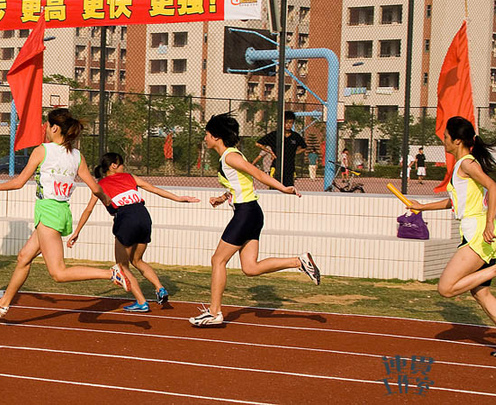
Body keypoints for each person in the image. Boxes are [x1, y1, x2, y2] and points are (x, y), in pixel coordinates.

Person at [0, 108, 130, 317]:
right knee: (24, 257)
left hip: (49, 212)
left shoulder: (43, 150)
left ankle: (111, 273)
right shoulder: (77, 156)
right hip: (60, 211)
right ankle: (4, 302)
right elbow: (95, 188)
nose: (45, 129)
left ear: (55, 127)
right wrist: (108, 203)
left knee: (58, 273)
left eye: (47, 125)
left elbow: (19, 182)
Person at [189, 113, 321, 327]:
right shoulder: (228, 157)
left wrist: (283, 188)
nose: (205, 138)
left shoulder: (231, 157)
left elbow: (257, 174)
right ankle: (299, 261)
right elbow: (241, 184)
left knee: (218, 260)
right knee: (250, 268)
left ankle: (214, 312)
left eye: (206, 134)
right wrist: (222, 198)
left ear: (216, 137)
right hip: (251, 213)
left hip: (246, 214)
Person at [407, 116, 496, 358]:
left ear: (456, 140)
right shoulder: (461, 166)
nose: (443, 140)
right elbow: (455, 203)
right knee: (481, 293)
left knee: (445, 288)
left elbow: (494, 187)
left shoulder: (466, 164)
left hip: (479, 234)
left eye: (445, 137)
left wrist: (487, 224)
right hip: (477, 232)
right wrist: (422, 206)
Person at [68, 152, 200, 311]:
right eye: (121, 163)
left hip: (125, 218)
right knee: (137, 260)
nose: (124, 167)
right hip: (144, 217)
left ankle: (141, 302)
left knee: (121, 266)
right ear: (113, 166)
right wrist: (179, 198)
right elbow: (154, 189)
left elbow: (88, 210)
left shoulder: (101, 184)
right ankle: (159, 288)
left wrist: (77, 231)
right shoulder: (130, 177)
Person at [252, 111, 306, 187]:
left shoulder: (295, 136)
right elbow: (258, 143)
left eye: (291, 123)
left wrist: (295, 153)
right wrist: (270, 152)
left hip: (289, 167)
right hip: (276, 166)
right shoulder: (275, 134)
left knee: (288, 188)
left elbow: (304, 147)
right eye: (286, 122)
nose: (288, 125)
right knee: (274, 187)